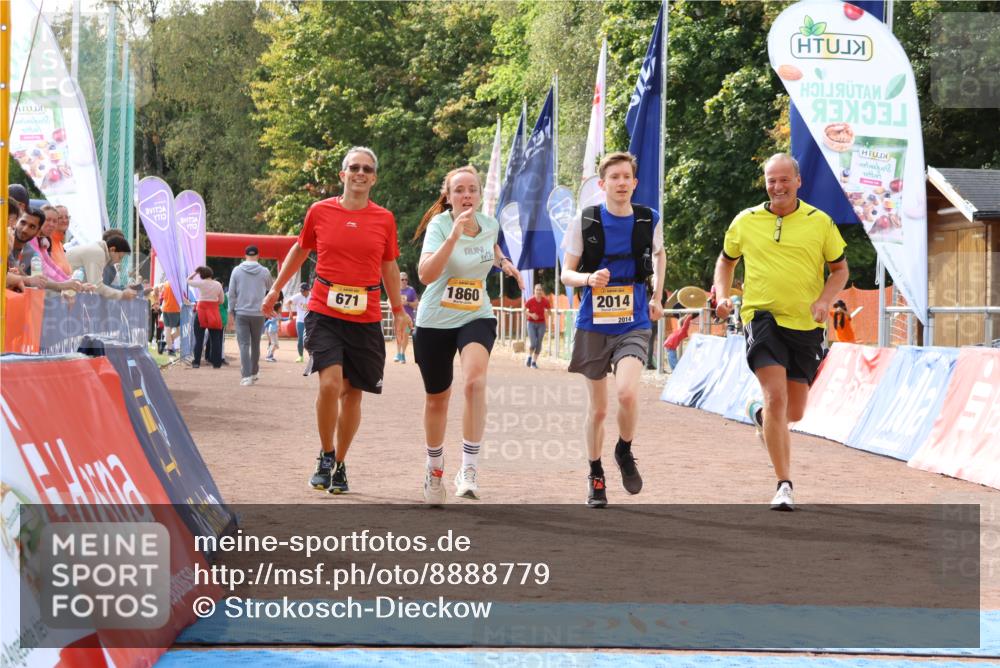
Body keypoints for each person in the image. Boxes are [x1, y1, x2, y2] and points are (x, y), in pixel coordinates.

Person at [261, 146, 410, 495]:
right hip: (325, 311)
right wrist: (276, 291)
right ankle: (325, 455)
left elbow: (389, 265)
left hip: (366, 314)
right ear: (342, 174)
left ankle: (341, 463)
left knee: (352, 393)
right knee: (329, 384)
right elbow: (301, 249)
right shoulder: (320, 211)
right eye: (354, 167)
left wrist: (399, 310)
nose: (360, 173)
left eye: (367, 169)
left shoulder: (384, 219)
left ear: (373, 178)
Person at [714, 153, 849, 511]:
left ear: (798, 181)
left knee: (794, 412)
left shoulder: (820, 223)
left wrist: (824, 301)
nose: (777, 186)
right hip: (761, 317)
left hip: (805, 325)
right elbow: (726, 261)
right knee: (776, 397)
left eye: (784, 179)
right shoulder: (746, 221)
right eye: (771, 180)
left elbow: (840, 271)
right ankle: (784, 484)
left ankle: (759, 416)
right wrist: (724, 294)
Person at [560, 152, 666, 508]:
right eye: (614, 177)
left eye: (627, 177)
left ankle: (624, 449)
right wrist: (589, 278)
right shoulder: (585, 220)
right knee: (599, 409)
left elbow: (659, 254)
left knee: (627, 393)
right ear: (603, 185)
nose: (621, 183)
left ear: (634, 183)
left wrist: (656, 294)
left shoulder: (648, 219)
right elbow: (566, 273)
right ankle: (595, 473)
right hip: (594, 322)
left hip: (634, 319)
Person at [412, 165, 523, 504]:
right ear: (448, 195)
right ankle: (435, 469)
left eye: (472, 189)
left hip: (476, 315)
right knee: (437, 398)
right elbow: (426, 275)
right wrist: (453, 237)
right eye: (459, 190)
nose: (466, 195)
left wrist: (504, 264)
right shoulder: (440, 225)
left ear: (479, 194)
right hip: (434, 320)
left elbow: (493, 246)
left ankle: (469, 468)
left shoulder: (489, 224)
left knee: (475, 383)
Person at [229, 245, 275, 386]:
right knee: (255, 344)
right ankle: (254, 373)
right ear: (258, 256)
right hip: (259, 313)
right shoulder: (264, 271)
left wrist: (231, 311)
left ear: (245, 256)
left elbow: (231, 293)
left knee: (244, 344)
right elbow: (271, 289)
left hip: (241, 312)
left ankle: (246, 376)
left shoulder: (236, 271)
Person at [187, 266, 225, 369]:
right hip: (214, 312)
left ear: (201, 275)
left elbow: (188, 281)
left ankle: (196, 362)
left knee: (199, 338)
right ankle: (216, 363)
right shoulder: (217, 284)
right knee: (215, 339)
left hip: (201, 312)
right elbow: (222, 301)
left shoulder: (201, 283)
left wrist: (195, 272)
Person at [523, 283, 551, 369]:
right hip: (531, 323)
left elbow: (549, 311)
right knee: (533, 343)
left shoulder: (545, 301)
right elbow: (524, 310)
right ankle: (529, 357)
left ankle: (534, 362)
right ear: (534, 291)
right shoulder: (530, 300)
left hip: (541, 324)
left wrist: (549, 313)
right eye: (537, 289)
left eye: (540, 290)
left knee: (539, 343)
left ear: (542, 291)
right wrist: (531, 315)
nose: (538, 291)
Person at [394, 272, 419, 363]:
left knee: (405, 336)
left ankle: (402, 354)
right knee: (398, 335)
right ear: (398, 280)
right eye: (402, 279)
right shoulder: (395, 289)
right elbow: (389, 300)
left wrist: (407, 303)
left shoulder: (411, 290)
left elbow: (416, 304)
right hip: (397, 318)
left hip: (408, 319)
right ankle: (398, 353)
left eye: (406, 279)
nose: (404, 281)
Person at [156, 280, 182, 354]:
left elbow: (162, 295)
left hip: (166, 308)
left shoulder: (166, 283)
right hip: (174, 309)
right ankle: (169, 348)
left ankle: (165, 343)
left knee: (169, 329)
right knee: (176, 330)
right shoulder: (178, 283)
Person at [288, 282, 311, 363]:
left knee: (310, 339)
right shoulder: (298, 296)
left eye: (303, 291)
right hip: (300, 320)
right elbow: (288, 302)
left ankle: (311, 356)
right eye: (301, 291)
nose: (302, 292)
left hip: (310, 320)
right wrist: (290, 312)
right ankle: (300, 356)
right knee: (300, 339)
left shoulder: (313, 296)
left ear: (308, 290)